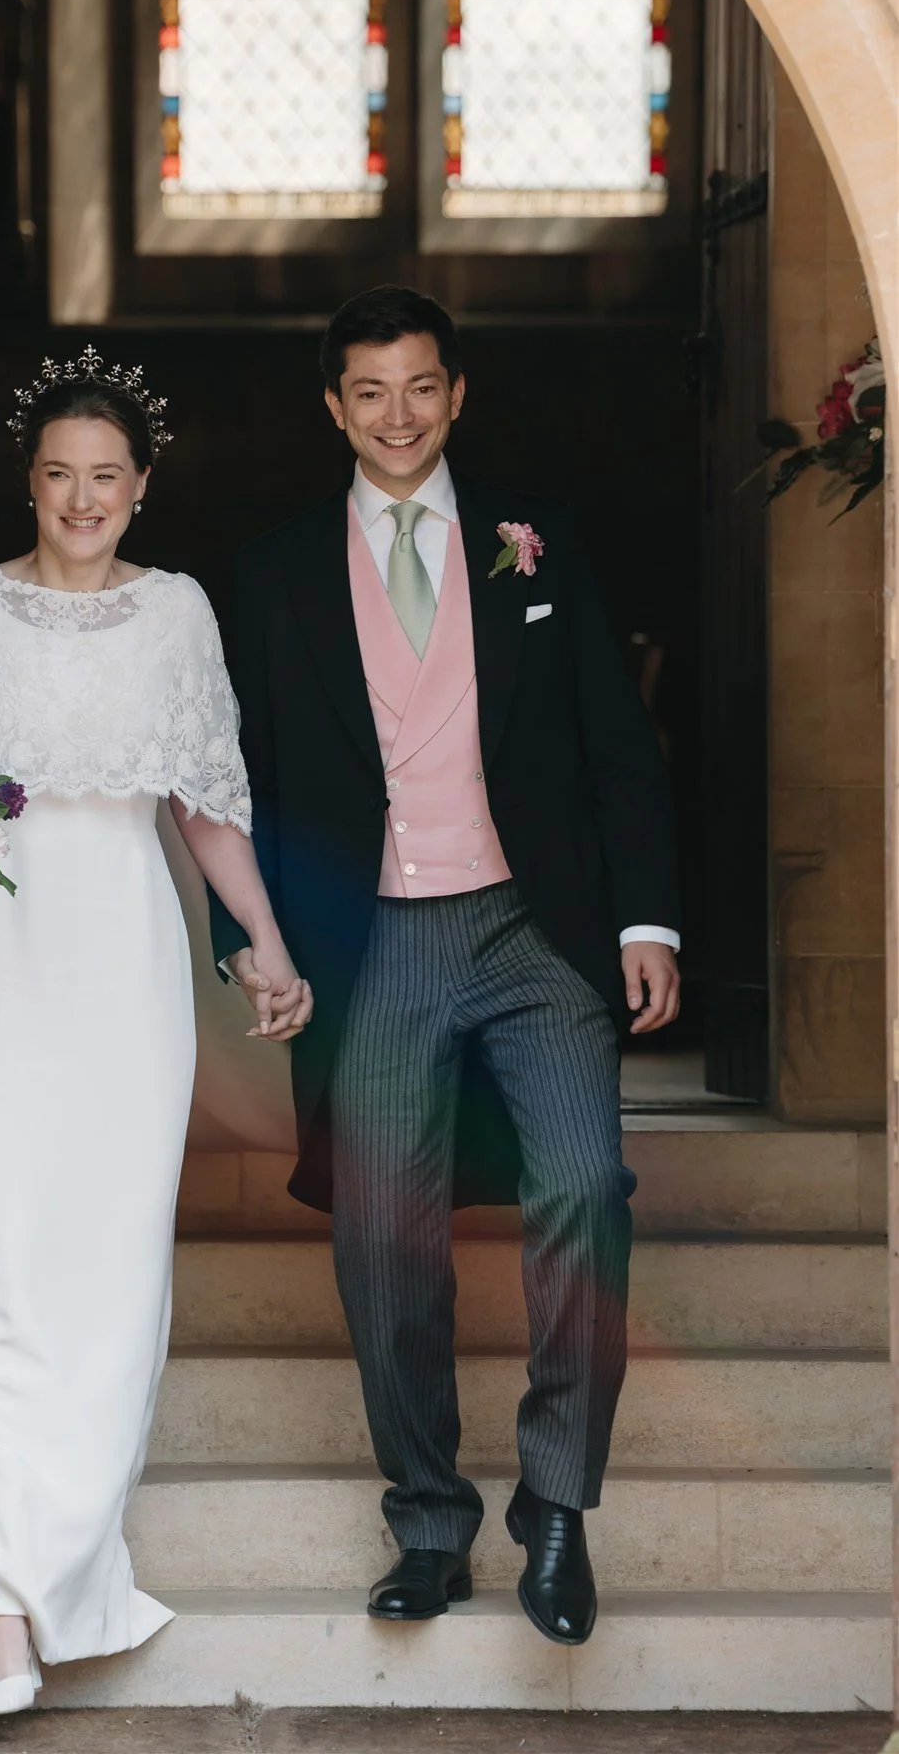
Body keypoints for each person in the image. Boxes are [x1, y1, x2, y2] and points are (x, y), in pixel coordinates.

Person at [210, 287, 680, 1646]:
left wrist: (647, 921)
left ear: (457, 393)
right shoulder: (276, 570)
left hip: (538, 930)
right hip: (379, 938)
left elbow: (616, 744)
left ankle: (558, 1505)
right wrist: (255, 940)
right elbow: (240, 774)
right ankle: (428, 1519)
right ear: (334, 408)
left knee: (584, 1187)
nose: (398, 415)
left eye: (421, 387)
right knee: (384, 1235)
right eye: (370, 392)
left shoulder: (538, 541)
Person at [0, 350, 310, 1715]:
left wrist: (265, 939)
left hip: (124, 953)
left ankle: (56, 1561)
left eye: (106, 477)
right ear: (30, 482)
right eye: (59, 475)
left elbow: (205, 801)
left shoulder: (177, 615)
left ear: (142, 487)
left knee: (107, 1264)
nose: (82, 499)